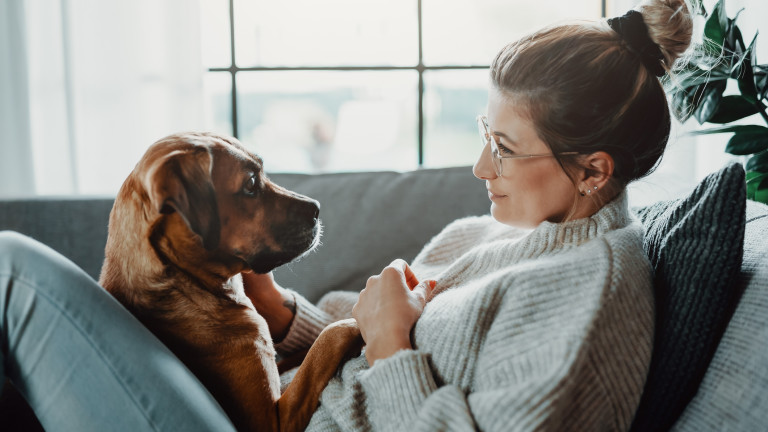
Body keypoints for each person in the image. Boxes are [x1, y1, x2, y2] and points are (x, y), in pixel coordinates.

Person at [0, 0, 693, 430]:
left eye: (505, 149)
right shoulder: (490, 234)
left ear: (595, 169)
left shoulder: (590, 296)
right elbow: (351, 330)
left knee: (10, 269)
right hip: (263, 405)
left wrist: (391, 346)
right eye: (486, 133)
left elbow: (383, 348)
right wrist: (281, 316)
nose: (481, 168)